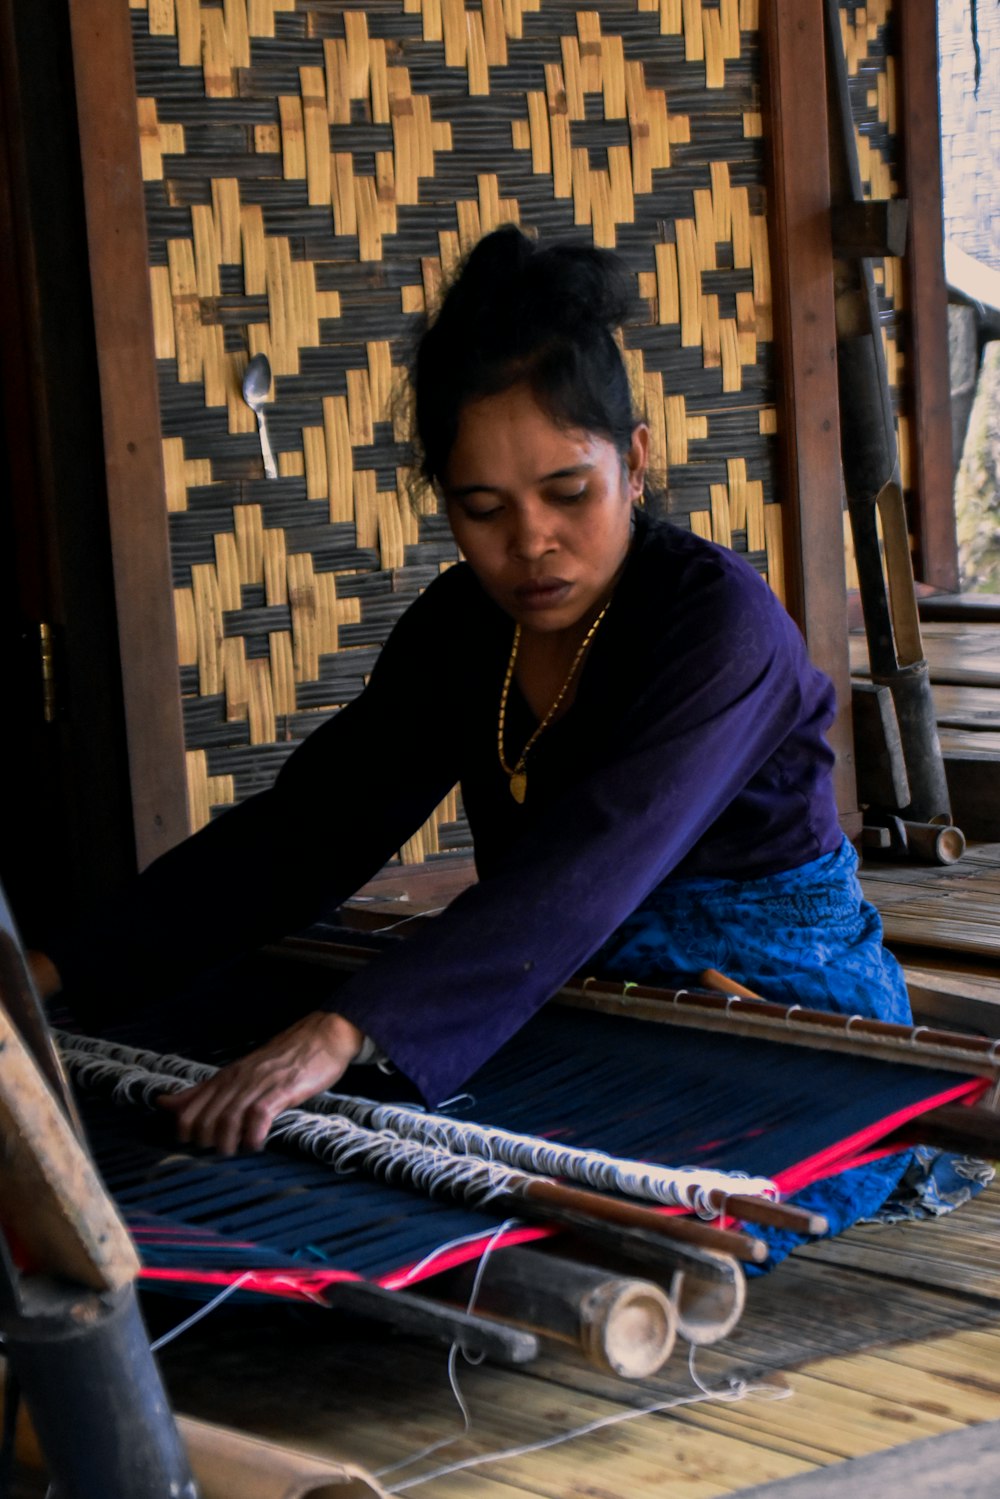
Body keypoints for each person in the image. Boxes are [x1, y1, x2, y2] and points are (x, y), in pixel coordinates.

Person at [36, 226, 911, 1212]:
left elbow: (589, 866)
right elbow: (311, 829)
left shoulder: (719, 625)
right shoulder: (461, 625)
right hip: (557, 984)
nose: (530, 542)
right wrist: (52, 967)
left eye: (567, 491)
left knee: (551, 1200)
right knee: (288, 1137)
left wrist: (340, 1030)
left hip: (763, 1003)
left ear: (635, 462)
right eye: (482, 507)